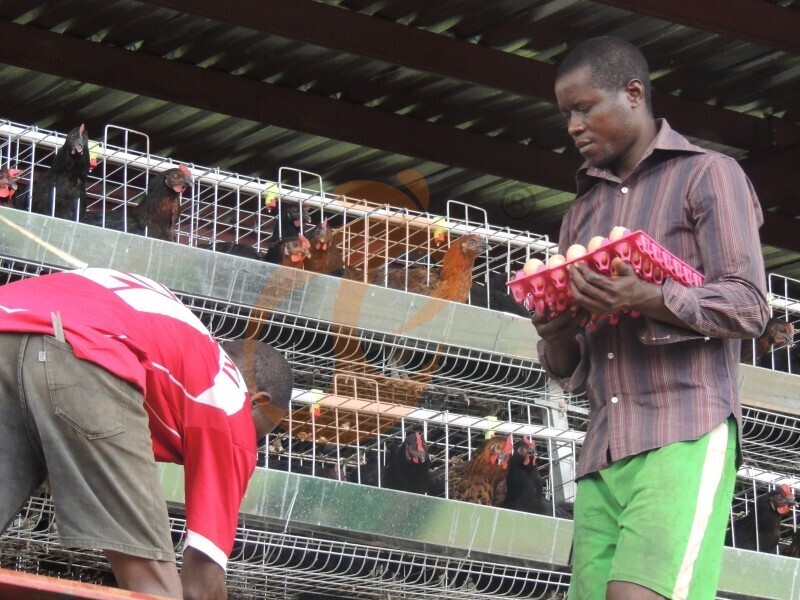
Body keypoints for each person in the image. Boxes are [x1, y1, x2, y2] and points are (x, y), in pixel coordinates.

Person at [533, 37, 769, 600]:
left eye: (584, 108)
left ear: (634, 93)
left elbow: (749, 305)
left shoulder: (708, 175)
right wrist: (557, 334)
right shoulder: (581, 212)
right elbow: (570, 370)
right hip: (602, 451)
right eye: (566, 114)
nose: (573, 126)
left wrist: (649, 297)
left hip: (683, 430)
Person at [0, 267, 294, 599]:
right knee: (156, 589)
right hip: (88, 352)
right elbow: (200, 585)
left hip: (9, 324)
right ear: (258, 401)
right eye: (259, 435)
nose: (251, 445)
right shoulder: (232, 402)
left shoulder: (179, 338)